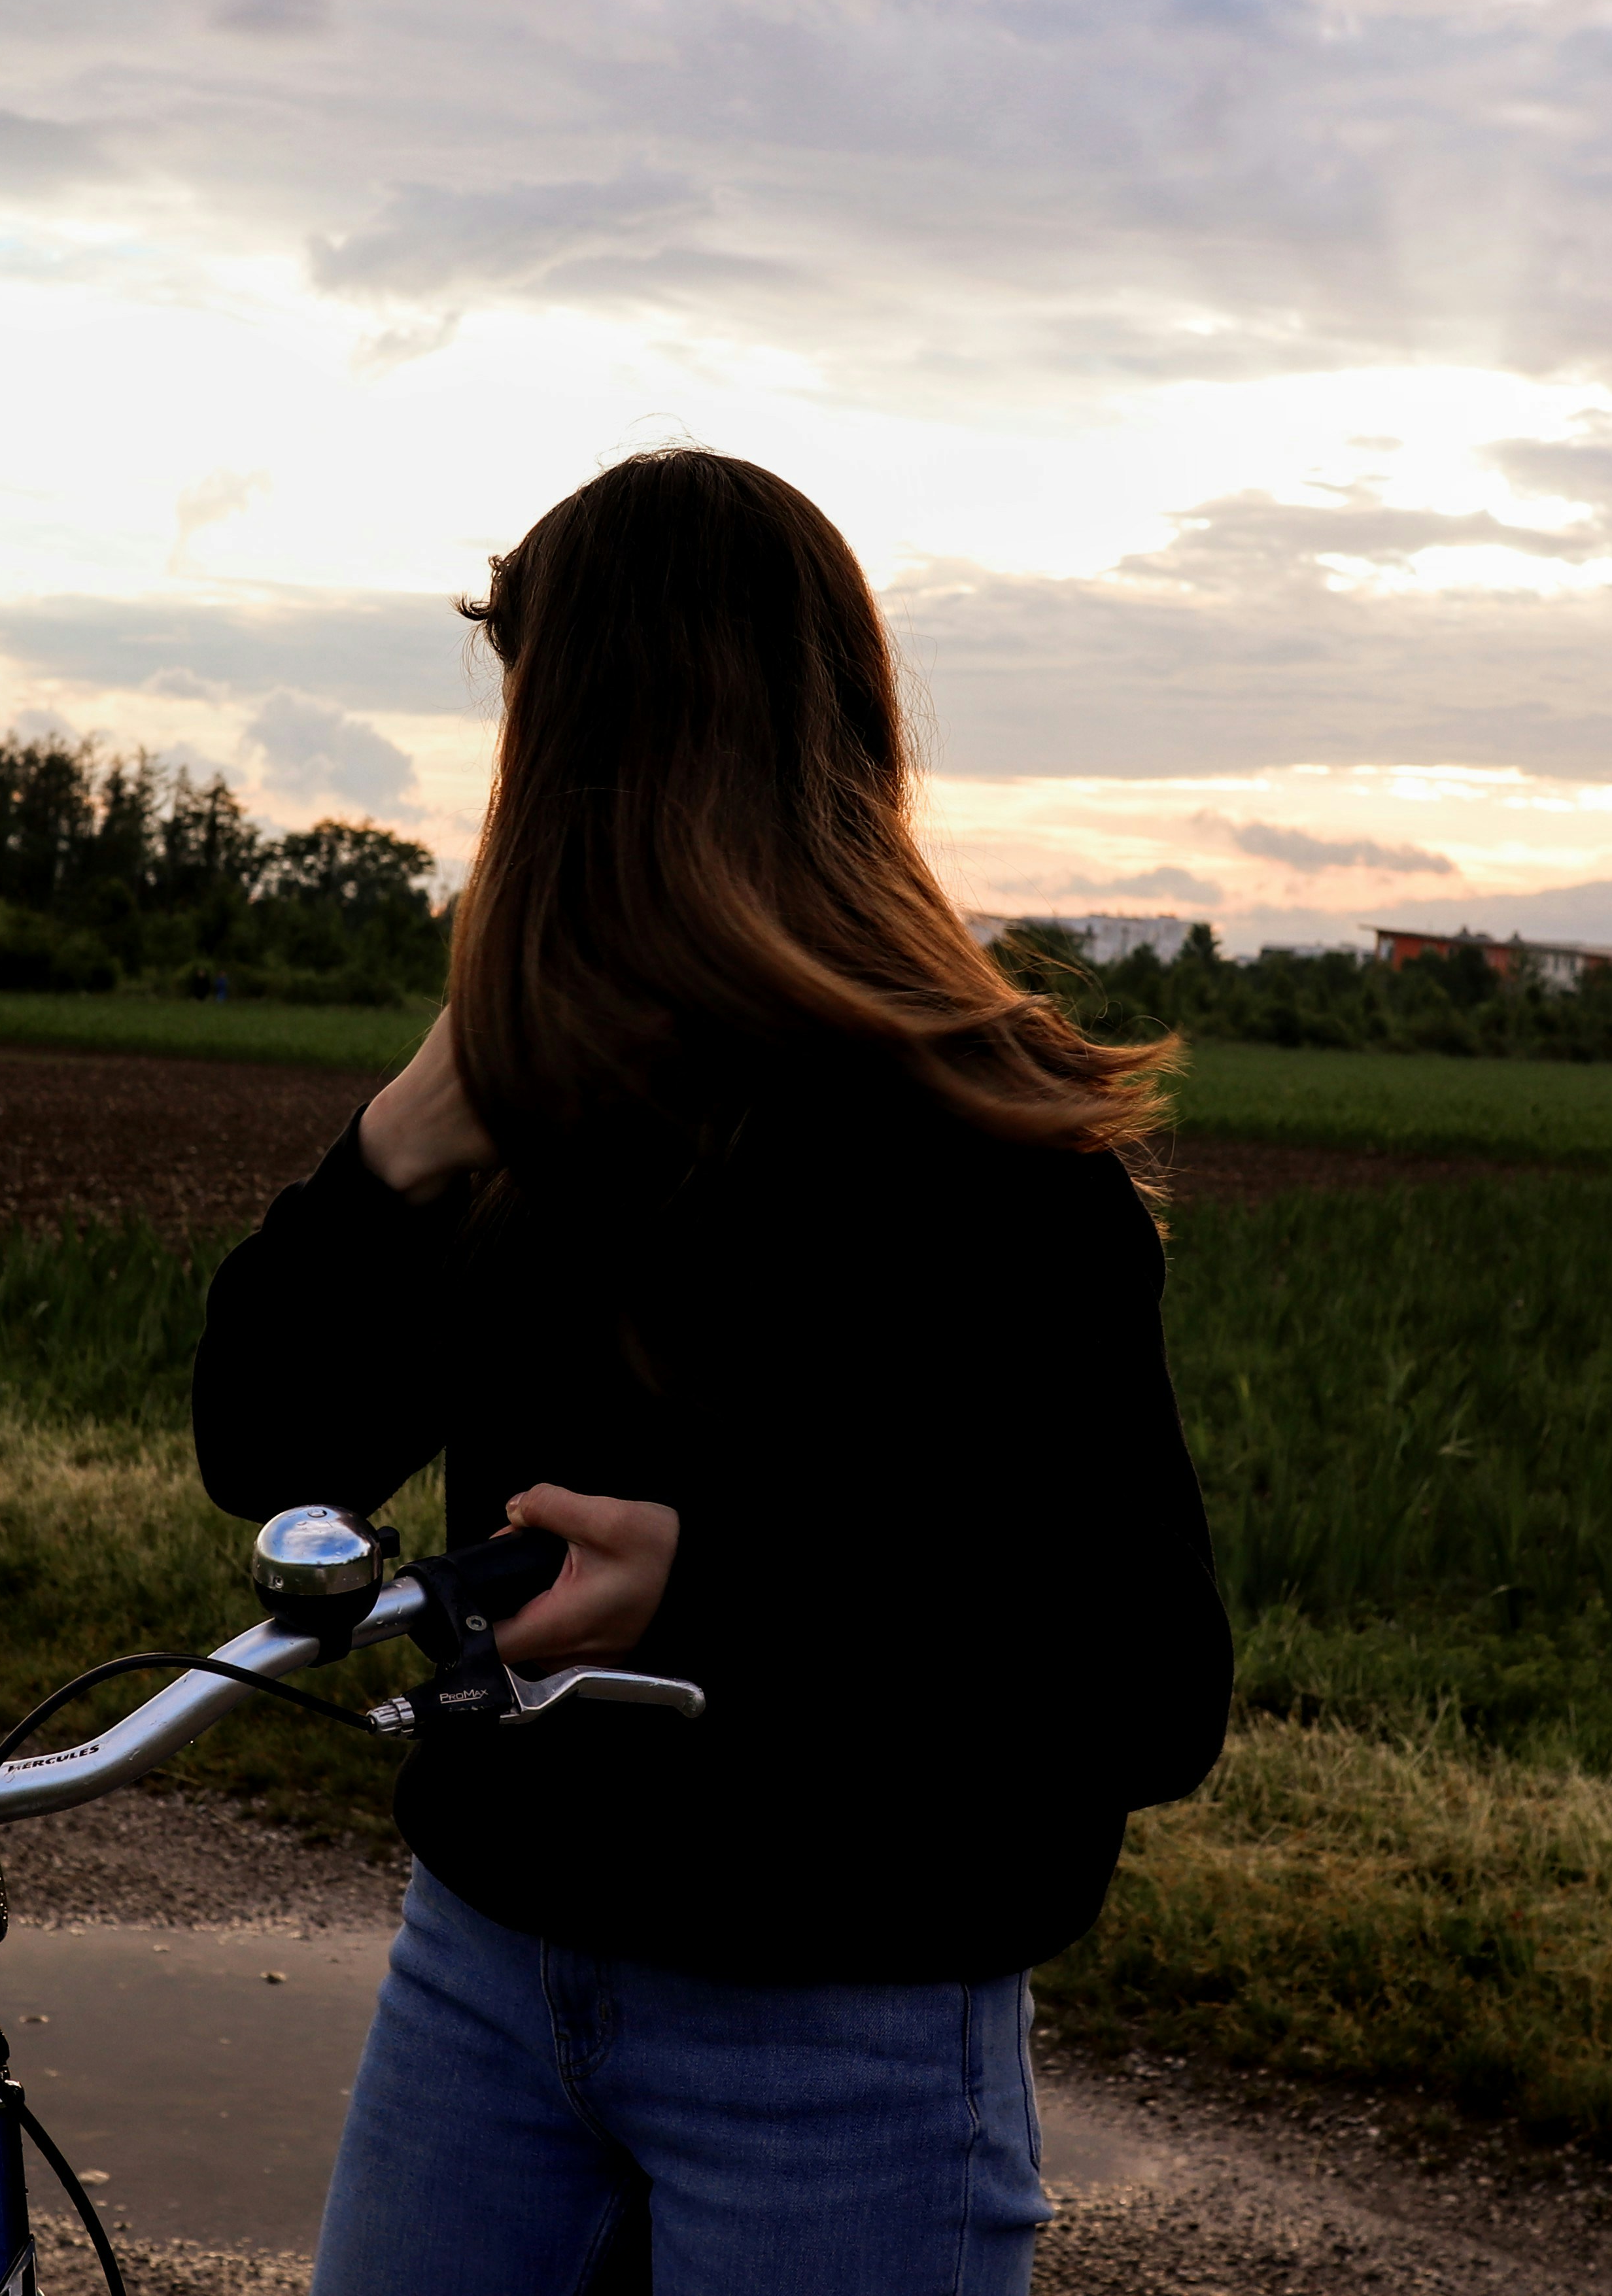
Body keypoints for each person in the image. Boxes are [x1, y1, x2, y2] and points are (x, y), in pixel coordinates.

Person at [191, 447, 1231, 2296]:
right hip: (486, 1980)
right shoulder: (535, 1112)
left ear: (611, 734)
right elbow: (270, 1445)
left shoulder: (989, 1161)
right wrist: (398, 1149)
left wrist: (721, 1602)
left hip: (841, 2037)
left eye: (536, 719)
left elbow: (1143, 1690)